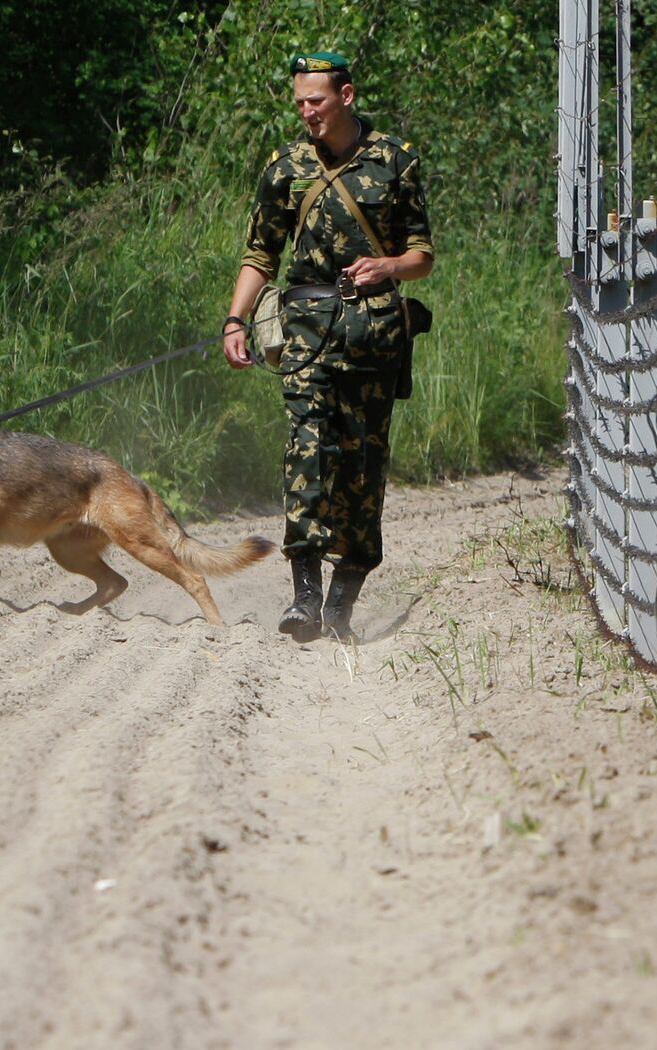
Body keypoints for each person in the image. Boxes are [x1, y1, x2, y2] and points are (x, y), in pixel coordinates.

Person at [221, 51, 434, 642]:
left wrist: (388, 264)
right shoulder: (286, 166)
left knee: (361, 465)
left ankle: (344, 599)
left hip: (374, 336)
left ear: (346, 94)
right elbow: (259, 254)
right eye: (299, 102)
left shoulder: (395, 161)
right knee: (306, 452)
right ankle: (305, 597)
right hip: (306, 332)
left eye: (315, 100)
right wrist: (234, 320)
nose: (306, 112)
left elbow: (422, 255)